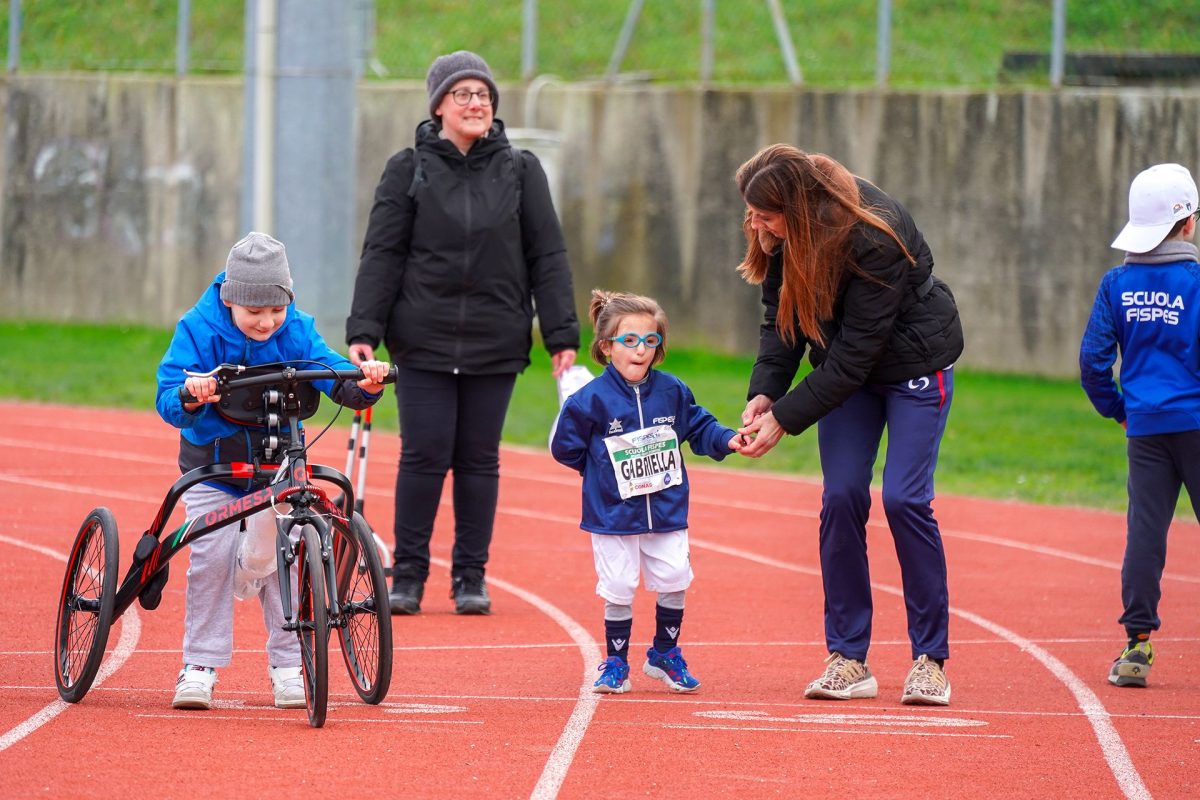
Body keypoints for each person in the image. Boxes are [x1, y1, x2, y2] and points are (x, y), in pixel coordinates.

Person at [345, 50, 579, 616]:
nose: (476, 104)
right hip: (422, 339)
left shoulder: (521, 169)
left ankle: (471, 576)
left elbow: (547, 254)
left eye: (484, 95)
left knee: (479, 459)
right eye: (463, 95)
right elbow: (383, 252)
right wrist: (365, 329)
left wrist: (560, 332)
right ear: (439, 106)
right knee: (423, 456)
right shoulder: (408, 167)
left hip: (495, 341)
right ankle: (408, 577)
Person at [732, 144, 964, 706]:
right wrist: (766, 393)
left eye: (765, 215)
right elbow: (781, 320)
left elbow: (856, 357)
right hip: (848, 371)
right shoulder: (782, 235)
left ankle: (930, 661)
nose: (755, 225)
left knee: (906, 501)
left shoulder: (873, 235)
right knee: (840, 497)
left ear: (798, 207)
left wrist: (784, 420)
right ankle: (848, 658)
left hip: (911, 365)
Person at [156, 232, 391, 711]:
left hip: (277, 466)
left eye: (275, 311)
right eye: (254, 312)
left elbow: (330, 372)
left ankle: (288, 664)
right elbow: (168, 395)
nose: (266, 322)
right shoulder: (199, 328)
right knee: (214, 553)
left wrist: (363, 384)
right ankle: (199, 665)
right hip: (215, 468)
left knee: (294, 550)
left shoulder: (297, 330)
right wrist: (191, 392)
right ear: (230, 299)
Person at [551, 290, 743, 694]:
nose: (641, 350)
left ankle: (664, 653)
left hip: (667, 508)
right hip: (612, 514)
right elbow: (565, 447)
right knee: (618, 586)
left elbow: (698, 426)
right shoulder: (589, 401)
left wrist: (726, 440)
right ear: (607, 347)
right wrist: (601, 471)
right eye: (630, 341)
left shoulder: (672, 390)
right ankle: (616, 662)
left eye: (651, 341)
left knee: (675, 576)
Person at [1079, 163, 1200, 689]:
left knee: (1145, 534)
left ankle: (1137, 646)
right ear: (1188, 225)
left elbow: (1092, 362)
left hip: (1145, 427)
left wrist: (1119, 407)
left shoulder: (1117, 284)